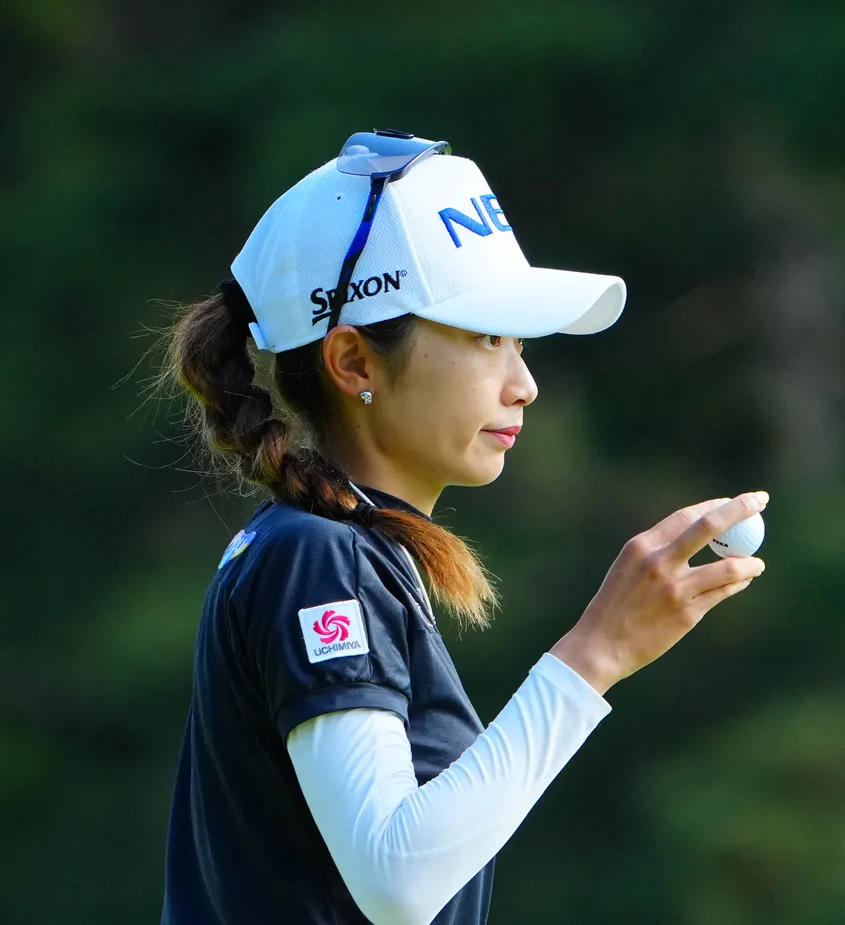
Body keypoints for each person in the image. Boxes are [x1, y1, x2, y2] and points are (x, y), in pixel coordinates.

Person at [156, 130, 768, 925]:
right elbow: (397, 879)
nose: (524, 384)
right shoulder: (319, 556)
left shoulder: (333, 550)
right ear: (354, 362)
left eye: (518, 342)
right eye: (486, 337)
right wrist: (597, 652)